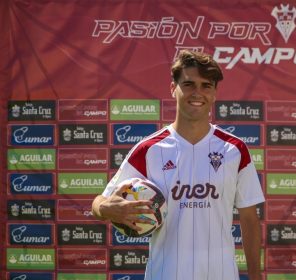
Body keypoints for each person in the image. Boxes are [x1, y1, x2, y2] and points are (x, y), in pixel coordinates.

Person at [92, 50, 265, 280]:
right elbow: (98, 202)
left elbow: (249, 219)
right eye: (189, 84)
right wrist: (107, 209)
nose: (198, 93)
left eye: (206, 86)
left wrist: (255, 276)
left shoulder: (234, 149)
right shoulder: (149, 149)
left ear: (214, 94)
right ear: (173, 88)